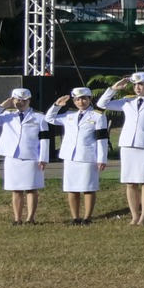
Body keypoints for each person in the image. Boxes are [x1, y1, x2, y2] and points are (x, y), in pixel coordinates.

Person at [100, 72, 144, 224]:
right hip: (128, 144)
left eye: (141, 84)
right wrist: (114, 88)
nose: (138, 87)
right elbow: (102, 104)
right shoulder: (127, 102)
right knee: (130, 182)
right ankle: (134, 215)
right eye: (135, 85)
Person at [45, 88, 110, 224]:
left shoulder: (97, 116)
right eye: (78, 99)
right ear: (74, 101)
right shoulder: (69, 116)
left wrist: (101, 158)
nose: (81, 102)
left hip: (87, 156)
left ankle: (87, 217)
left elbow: (102, 139)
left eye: (84, 98)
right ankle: (75, 217)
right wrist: (56, 106)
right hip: (70, 156)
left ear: (90, 99)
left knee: (88, 188)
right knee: (72, 188)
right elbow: (49, 118)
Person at [0, 88, 49, 224]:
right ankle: (17, 218)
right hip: (12, 156)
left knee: (31, 188)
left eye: (24, 100)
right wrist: (2, 106)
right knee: (16, 189)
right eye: (18, 100)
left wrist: (43, 158)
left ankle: (31, 218)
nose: (21, 103)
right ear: (13, 100)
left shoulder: (39, 117)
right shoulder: (6, 115)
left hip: (31, 156)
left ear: (29, 101)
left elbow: (45, 139)